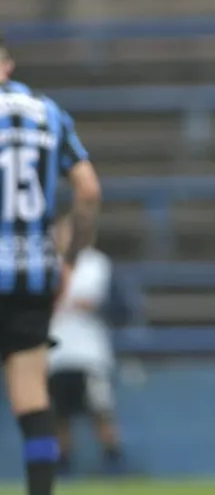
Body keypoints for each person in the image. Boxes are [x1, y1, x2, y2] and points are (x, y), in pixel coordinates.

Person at [0, 35, 101, 495]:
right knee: (31, 399)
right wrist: (71, 258)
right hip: (34, 272)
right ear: (8, 63)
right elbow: (88, 191)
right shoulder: (49, 113)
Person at [47, 204, 125, 476]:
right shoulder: (47, 265)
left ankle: (113, 460)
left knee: (100, 409)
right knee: (59, 415)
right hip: (56, 353)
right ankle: (62, 465)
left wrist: (94, 306)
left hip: (90, 353)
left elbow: (122, 308)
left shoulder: (97, 264)